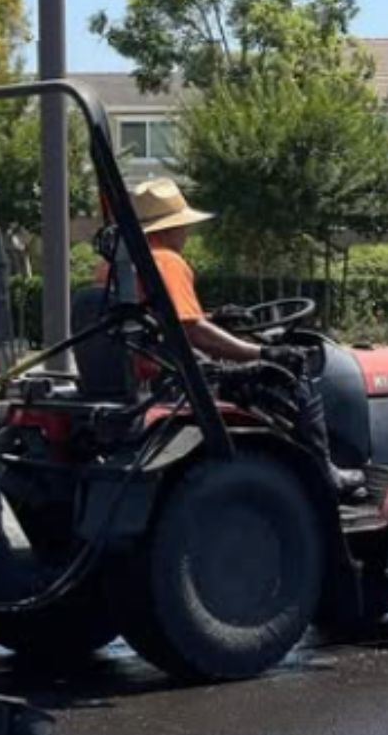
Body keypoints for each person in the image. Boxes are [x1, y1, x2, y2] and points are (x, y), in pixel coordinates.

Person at [129, 176, 365, 498]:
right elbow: (191, 331)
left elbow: (164, 320)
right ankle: (325, 472)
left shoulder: (121, 263)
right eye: (183, 226)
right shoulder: (166, 261)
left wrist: (215, 319)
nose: (187, 232)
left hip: (155, 366)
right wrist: (260, 354)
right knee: (292, 373)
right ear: (170, 228)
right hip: (179, 376)